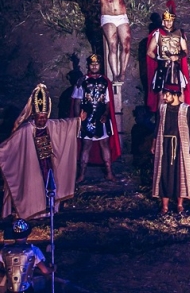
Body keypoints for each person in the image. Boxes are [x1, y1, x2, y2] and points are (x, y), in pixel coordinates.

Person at [49, 0, 161, 82]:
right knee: (112, 46)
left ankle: (122, 73)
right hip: (108, 18)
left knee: (126, 46)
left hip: (122, 17)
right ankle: (114, 73)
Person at [0, 85, 82, 220]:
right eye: (40, 117)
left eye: (44, 117)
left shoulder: (50, 125)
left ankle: (49, 210)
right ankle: (34, 211)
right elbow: (10, 144)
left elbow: (64, 125)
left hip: (48, 164)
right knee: (33, 187)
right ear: (35, 116)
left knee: (50, 185)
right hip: (32, 165)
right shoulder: (26, 129)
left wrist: (79, 120)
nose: (42, 120)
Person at [71, 54, 120, 183]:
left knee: (105, 145)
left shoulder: (105, 82)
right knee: (86, 146)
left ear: (100, 65)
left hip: (101, 118)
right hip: (86, 118)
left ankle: (109, 173)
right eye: (92, 64)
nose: (94, 66)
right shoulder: (82, 81)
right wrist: (78, 119)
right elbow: (77, 101)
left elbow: (108, 102)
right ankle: (81, 175)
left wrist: (105, 114)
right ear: (88, 66)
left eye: (97, 64)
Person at [151, 87, 190, 214]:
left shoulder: (186, 110)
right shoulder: (162, 109)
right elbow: (157, 127)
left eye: (167, 95)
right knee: (164, 174)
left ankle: (179, 204)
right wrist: (154, 143)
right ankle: (165, 206)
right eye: (164, 95)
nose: (164, 98)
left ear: (175, 95)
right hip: (164, 145)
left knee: (179, 173)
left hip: (181, 145)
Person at [146, 0, 190, 111]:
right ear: (163, 21)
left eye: (170, 21)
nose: (168, 23)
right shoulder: (157, 34)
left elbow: (185, 51)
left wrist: (177, 57)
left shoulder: (180, 33)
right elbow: (149, 52)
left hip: (175, 67)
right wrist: (159, 58)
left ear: (173, 21)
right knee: (162, 95)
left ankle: (182, 117)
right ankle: (161, 120)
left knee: (180, 93)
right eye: (166, 21)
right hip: (162, 67)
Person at [0, 220, 54, 291]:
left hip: (10, 290)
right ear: (27, 234)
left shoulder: (4, 250)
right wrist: (53, 269)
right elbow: (45, 271)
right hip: (26, 289)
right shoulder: (33, 250)